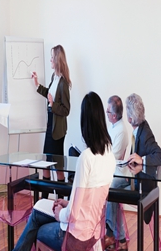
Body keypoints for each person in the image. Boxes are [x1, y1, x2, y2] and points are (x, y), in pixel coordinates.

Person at [13, 91, 116, 251]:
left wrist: (60, 212)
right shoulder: (110, 155)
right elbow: (91, 202)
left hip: (75, 236)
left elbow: (72, 215)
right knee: (38, 211)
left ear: (84, 122)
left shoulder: (86, 158)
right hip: (93, 232)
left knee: (36, 226)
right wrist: (68, 203)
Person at [105, 93, 161, 251]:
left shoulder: (145, 135)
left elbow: (159, 155)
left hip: (142, 185)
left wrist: (142, 159)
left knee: (111, 190)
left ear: (129, 118)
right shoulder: (139, 129)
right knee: (111, 189)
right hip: (132, 177)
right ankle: (118, 238)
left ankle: (113, 234)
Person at [32, 45, 71, 199]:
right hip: (50, 125)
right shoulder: (54, 78)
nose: (50, 60)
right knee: (47, 162)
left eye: (51, 57)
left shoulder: (63, 83)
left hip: (57, 130)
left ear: (57, 59)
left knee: (57, 165)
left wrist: (52, 104)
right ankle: (45, 199)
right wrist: (36, 84)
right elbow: (49, 95)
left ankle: (60, 200)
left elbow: (66, 110)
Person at [104, 96, 129, 250]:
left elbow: (112, 158)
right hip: (109, 169)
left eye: (107, 112)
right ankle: (115, 236)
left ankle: (113, 235)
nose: (106, 114)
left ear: (113, 115)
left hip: (118, 173)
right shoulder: (113, 127)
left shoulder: (121, 131)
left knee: (109, 189)